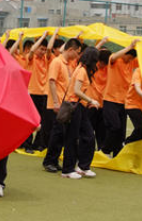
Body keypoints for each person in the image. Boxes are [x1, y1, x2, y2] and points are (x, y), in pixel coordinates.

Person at [42, 38, 82, 173]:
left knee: (61, 134)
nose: (77, 56)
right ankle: (49, 161)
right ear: (70, 50)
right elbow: (52, 82)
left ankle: (54, 160)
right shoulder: (57, 62)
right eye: (77, 52)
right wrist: (55, 102)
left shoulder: (67, 64)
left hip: (64, 104)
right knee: (56, 133)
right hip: (57, 103)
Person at [62, 47, 100, 179]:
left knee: (89, 136)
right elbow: (76, 91)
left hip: (80, 107)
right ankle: (67, 170)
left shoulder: (82, 70)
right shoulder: (82, 71)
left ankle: (83, 167)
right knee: (72, 138)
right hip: (75, 106)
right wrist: (91, 100)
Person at [100, 39, 139, 157]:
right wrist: (129, 46)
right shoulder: (115, 60)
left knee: (121, 131)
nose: (131, 61)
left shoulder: (131, 62)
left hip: (124, 102)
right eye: (129, 57)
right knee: (115, 126)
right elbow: (112, 57)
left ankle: (117, 155)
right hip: (110, 100)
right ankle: (105, 150)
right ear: (125, 54)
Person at [24, 29, 58, 152]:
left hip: (44, 94)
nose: (42, 51)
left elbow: (49, 49)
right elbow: (32, 50)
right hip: (32, 92)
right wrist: (43, 36)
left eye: (44, 49)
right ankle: (27, 144)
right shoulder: (31, 58)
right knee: (31, 120)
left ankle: (38, 144)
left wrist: (53, 35)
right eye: (41, 49)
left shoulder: (47, 59)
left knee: (42, 121)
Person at [86, 48, 111, 150]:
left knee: (102, 130)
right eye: (101, 62)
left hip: (102, 103)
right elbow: (92, 51)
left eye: (104, 63)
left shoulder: (109, 67)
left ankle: (101, 150)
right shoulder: (91, 67)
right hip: (91, 102)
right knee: (89, 130)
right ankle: (87, 150)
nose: (102, 65)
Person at [124, 68, 142, 144]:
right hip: (132, 104)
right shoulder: (138, 71)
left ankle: (131, 146)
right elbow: (137, 86)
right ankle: (126, 142)